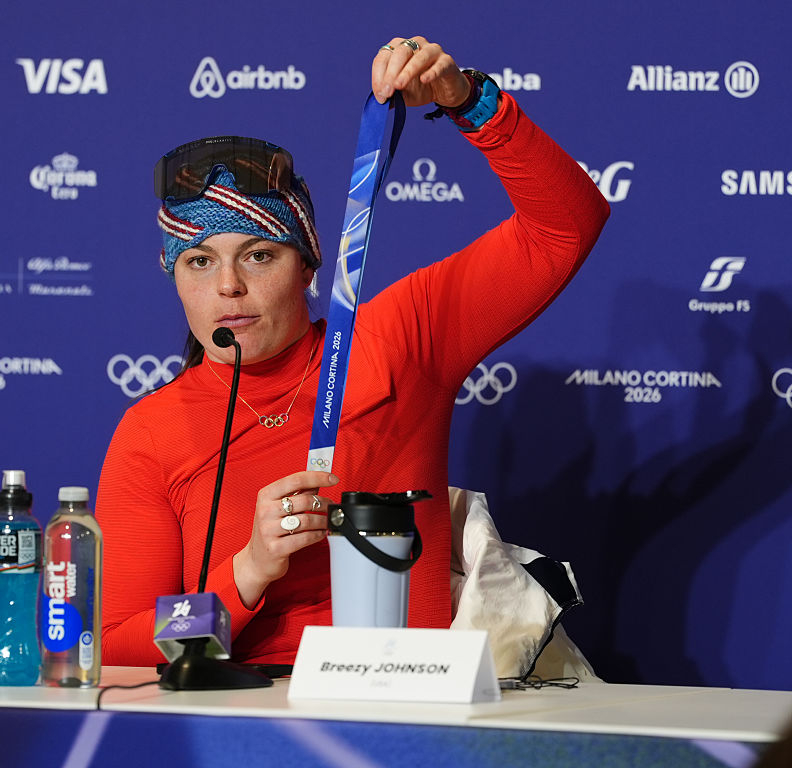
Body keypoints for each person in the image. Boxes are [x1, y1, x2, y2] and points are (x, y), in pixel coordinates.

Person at [94, 36, 610, 666]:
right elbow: (122, 640)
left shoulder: (398, 340)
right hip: (242, 723)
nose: (228, 285)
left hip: (404, 716)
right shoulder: (151, 432)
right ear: (175, 277)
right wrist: (247, 573)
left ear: (310, 266)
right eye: (200, 261)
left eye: (259, 255)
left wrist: (466, 100)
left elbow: (566, 225)